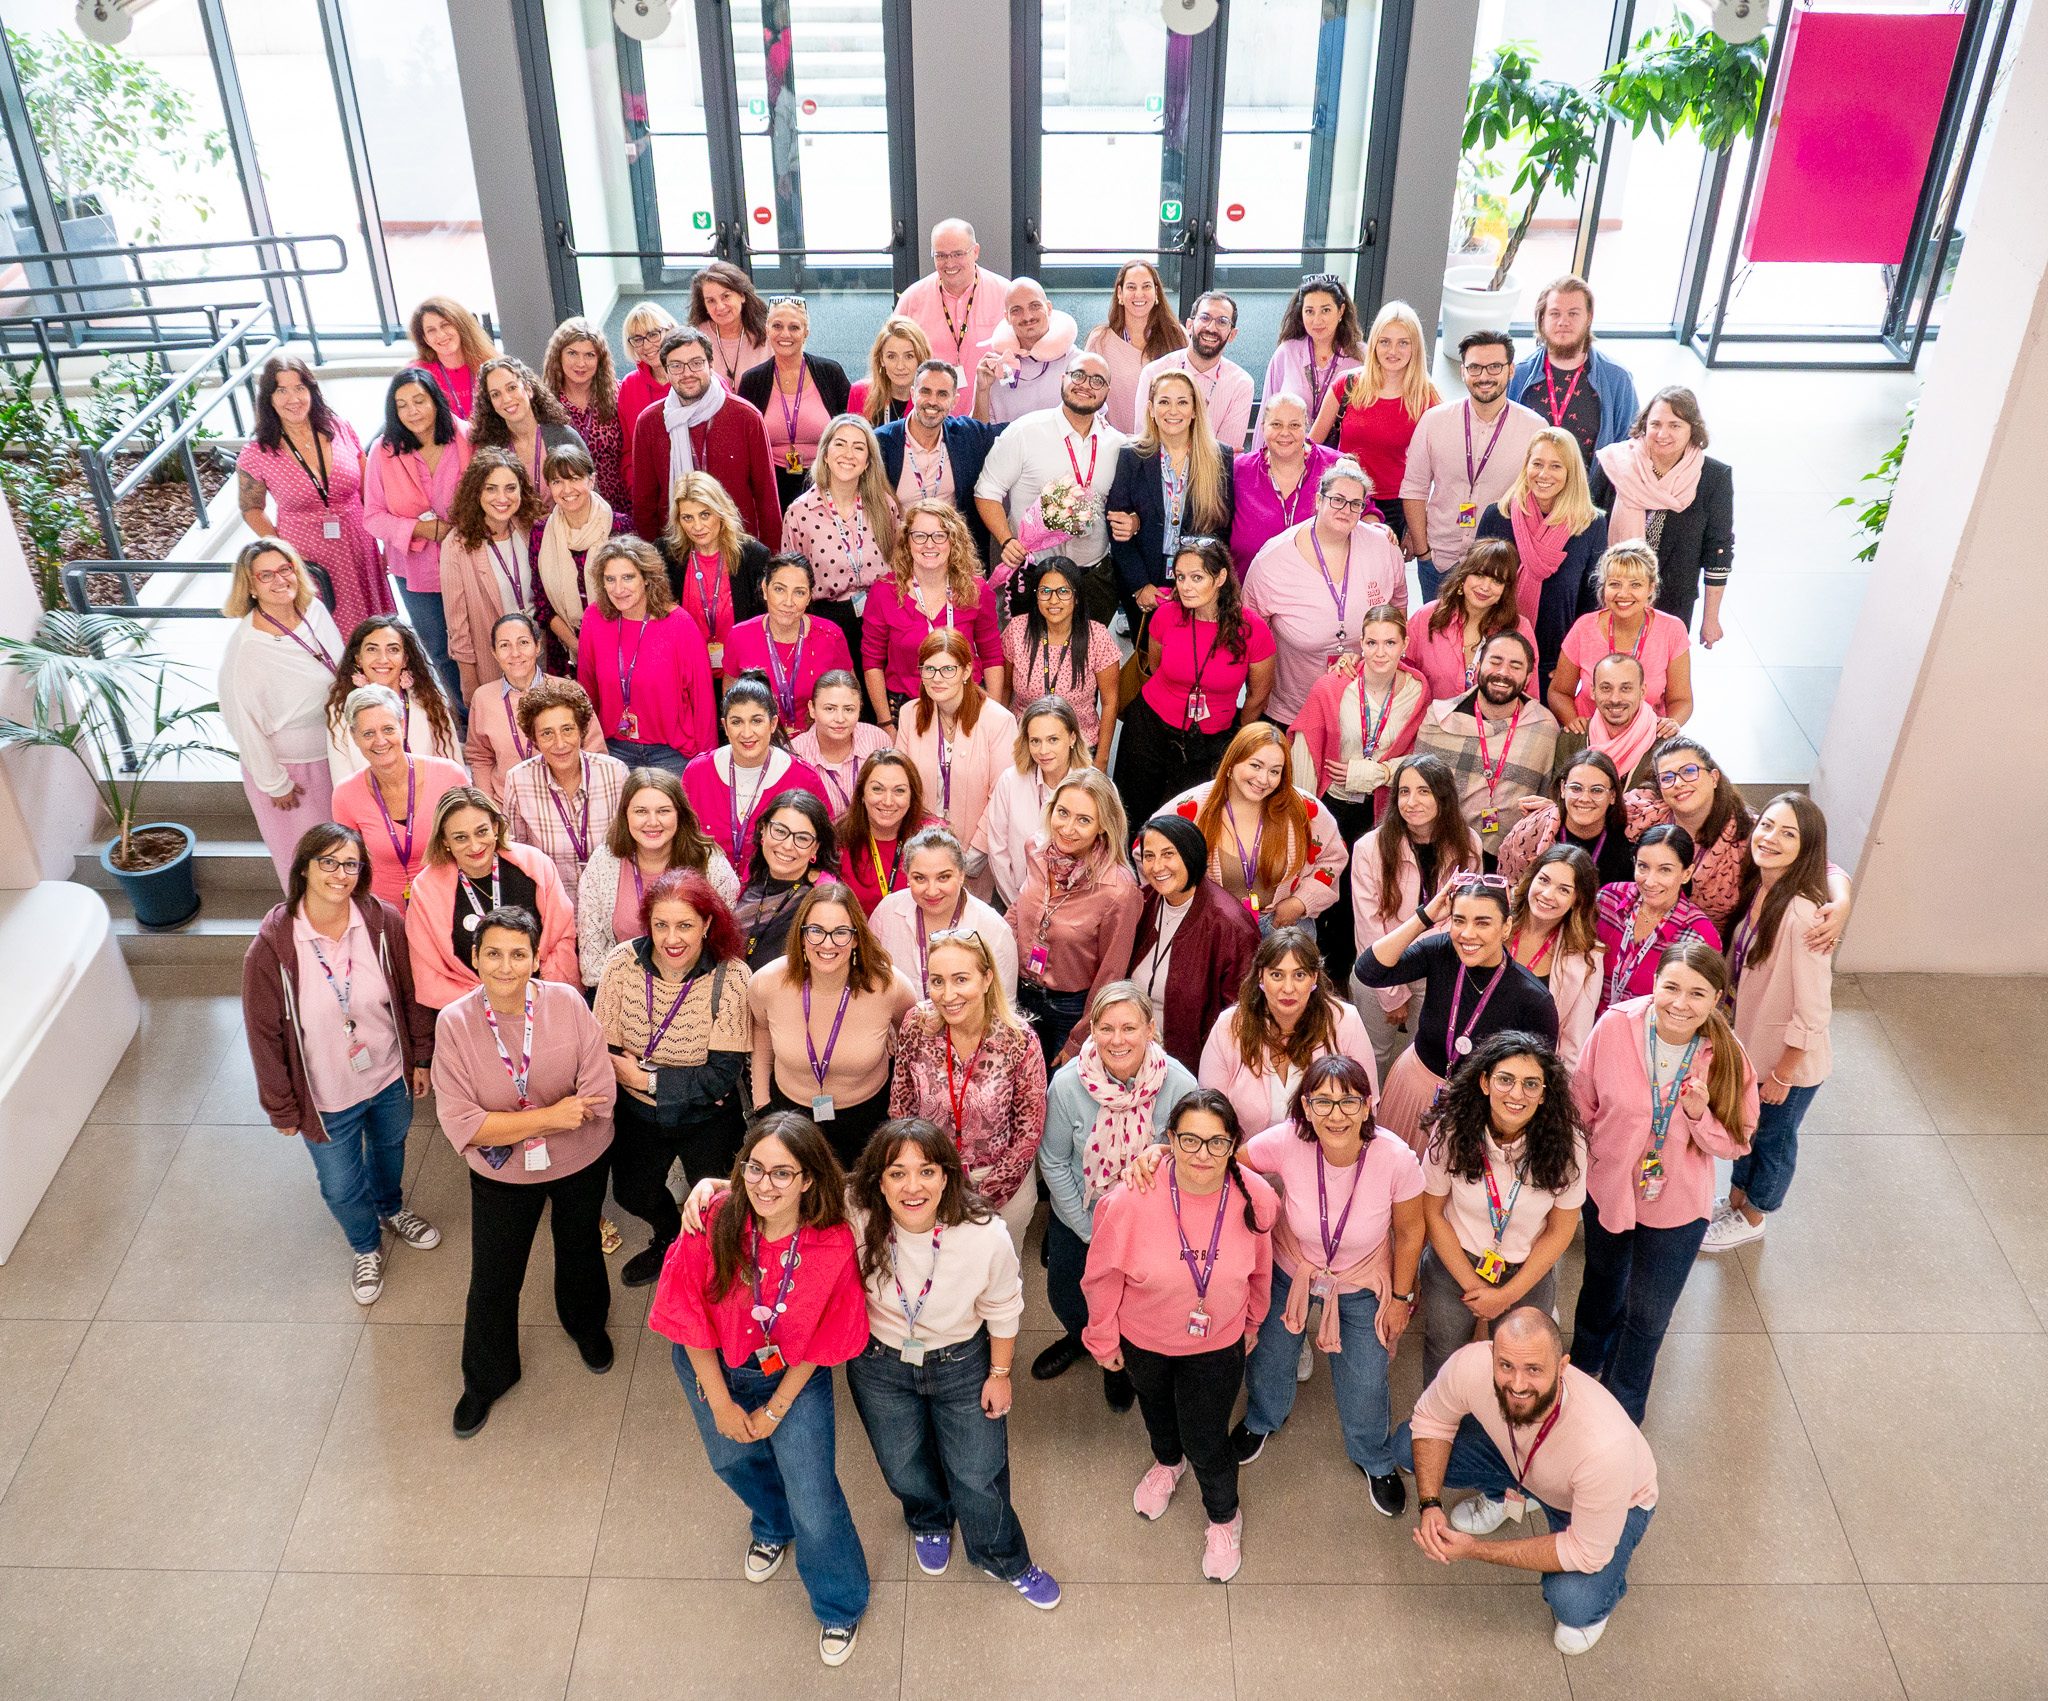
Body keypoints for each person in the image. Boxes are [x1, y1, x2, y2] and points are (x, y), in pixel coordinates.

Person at [647, 1113, 870, 1666]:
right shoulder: (713, 1218)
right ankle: (772, 1525)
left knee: (815, 1496)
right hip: (713, 1369)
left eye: (782, 1173)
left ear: (809, 1180)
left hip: (792, 1379)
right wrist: (721, 1402)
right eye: (755, 1169)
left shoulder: (832, 1241)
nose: (765, 1185)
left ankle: (839, 1605)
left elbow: (827, 1338)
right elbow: (687, 1312)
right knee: (732, 1462)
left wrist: (774, 1410)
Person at [840, 1119, 1058, 1607]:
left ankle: (1004, 1557)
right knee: (901, 1463)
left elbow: (1004, 1308)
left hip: (962, 1362)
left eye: (926, 1171)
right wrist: (713, 1186)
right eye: (897, 1173)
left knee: (978, 1473)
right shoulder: (856, 1213)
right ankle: (929, 1520)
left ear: (947, 1176)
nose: (912, 1187)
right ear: (878, 1180)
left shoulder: (985, 1235)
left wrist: (1000, 1376)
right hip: (880, 1364)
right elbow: (786, 1190)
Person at [433, 904, 617, 1438]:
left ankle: (586, 1326)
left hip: (580, 1159)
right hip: (503, 1175)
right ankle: (486, 1378)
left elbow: (598, 1092)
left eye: (519, 954)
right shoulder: (455, 1024)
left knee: (578, 1245)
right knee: (494, 1274)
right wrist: (550, 1116)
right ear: (475, 958)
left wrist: (517, 1122)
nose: (507, 966)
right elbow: (462, 1122)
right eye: (494, 953)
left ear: (537, 958)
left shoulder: (566, 1004)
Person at [1083, 1089, 1277, 1582]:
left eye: (1217, 1143)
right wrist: (1103, 1340)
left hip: (1217, 1346)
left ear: (1233, 1145)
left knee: (1207, 1437)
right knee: (1157, 1410)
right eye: (1188, 1140)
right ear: (1168, 1140)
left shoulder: (1254, 1198)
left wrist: (1253, 1321)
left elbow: (1260, 1271)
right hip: (1144, 1339)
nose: (1201, 1156)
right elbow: (1101, 1276)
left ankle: (1223, 1516)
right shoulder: (1128, 1200)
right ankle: (1167, 1463)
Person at [242, 822, 437, 1305]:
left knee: (390, 1148)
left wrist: (422, 1057)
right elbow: (262, 1035)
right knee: (341, 1184)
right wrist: (281, 1107)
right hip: (325, 1093)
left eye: (350, 863)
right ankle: (365, 1245)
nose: (340, 873)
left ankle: (391, 1208)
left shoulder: (383, 922)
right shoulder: (272, 948)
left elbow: (410, 996)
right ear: (303, 868)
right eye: (327, 862)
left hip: (389, 1074)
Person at [1399, 1309, 1658, 1656]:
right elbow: (1430, 1421)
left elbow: (1586, 1552)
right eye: (1506, 1366)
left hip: (1611, 1499)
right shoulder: (1471, 1364)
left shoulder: (1604, 1447)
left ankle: (1604, 1596)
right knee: (1406, 1445)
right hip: (1523, 1463)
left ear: (1562, 1368)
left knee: (1573, 1603)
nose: (1517, 1385)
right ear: (1491, 1354)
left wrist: (1475, 1550)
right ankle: (1506, 1495)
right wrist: (1430, 1505)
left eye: (1534, 1370)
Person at [1573, 938, 1756, 1421]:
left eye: (1698, 993)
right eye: (1670, 987)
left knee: (1647, 1318)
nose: (1680, 1003)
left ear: (1718, 998)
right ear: (1653, 984)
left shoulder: (1728, 1057)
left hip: (1676, 1207)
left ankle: (1621, 1415)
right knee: (1600, 1291)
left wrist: (1699, 1116)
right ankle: (1580, 1378)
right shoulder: (1614, 1028)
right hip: (1609, 1191)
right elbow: (1581, 1103)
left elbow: (1737, 1142)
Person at [1034, 983, 1196, 1401]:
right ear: (1092, 1032)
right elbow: (1052, 1161)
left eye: (1129, 1027)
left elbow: (1192, 1162)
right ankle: (1084, 1337)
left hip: (1151, 1217)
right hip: (1082, 1210)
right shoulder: (1067, 1085)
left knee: (1139, 1296)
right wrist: (1090, 1230)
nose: (1117, 1040)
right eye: (1106, 1028)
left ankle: (1120, 1355)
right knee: (1067, 1291)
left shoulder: (1179, 1085)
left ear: (1150, 1029)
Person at [595, 867, 753, 1283]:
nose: (671, 939)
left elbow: (720, 1077)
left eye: (685, 925)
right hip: (637, 1115)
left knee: (717, 1204)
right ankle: (668, 1237)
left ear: (707, 923)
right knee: (631, 1192)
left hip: (707, 1119)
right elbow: (606, 1053)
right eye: (660, 925)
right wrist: (684, 1081)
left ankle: (709, 1259)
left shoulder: (732, 977)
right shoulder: (620, 964)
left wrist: (643, 1078)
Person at [1704, 794, 1835, 1252]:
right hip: (1754, 1051)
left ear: (1808, 846)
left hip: (1787, 1065)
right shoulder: (1761, 889)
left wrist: (1783, 1073)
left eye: (1788, 833)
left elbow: (1815, 1010)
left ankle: (1756, 1214)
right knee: (1749, 1129)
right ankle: (1736, 1201)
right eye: (1767, 827)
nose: (1770, 838)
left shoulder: (1802, 915)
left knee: (1775, 1141)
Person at [1415, 1037, 1584, 1381]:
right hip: (1454, 1264)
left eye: (1531, 1084)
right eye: (1505, 1079)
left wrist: (1506, 1294)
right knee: (1444, 1349)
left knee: (1519, 1362)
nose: (1517, 1094)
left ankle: (1502, 1430)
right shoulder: (1451, 1129)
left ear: (1545, 1091)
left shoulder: (1568, 1143)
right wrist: (1472, 1285)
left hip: (1526, 1271)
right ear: (1484, 1081)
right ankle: (1444, 1423)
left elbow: (1561, 1229)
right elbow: (1432, 1212)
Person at [1354, 875, 1561, 1152]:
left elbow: (1539, 1079)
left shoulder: (1533, 999)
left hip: (1481, 1111)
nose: (1467, 934)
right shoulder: (1442, 950)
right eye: (1459, 920)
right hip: (1414, 1088)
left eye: (1482, 922)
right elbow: (1369, 971)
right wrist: (1425, 917)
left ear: (1506, 926)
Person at [1287, 604, 1431, 976]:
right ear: (1360, 644)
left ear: (1405, 644)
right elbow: (1305, 748)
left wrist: (1376, 772)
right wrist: (1302, 819)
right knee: (1328, 893)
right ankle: (1323, 973)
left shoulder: (1417, 690)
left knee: (1369, 895)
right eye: (1371, 642)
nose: (1379, 652)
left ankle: (1361, 975)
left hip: (1384, 808)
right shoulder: (1333, 685)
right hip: (1333, 807)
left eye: (1389, 642)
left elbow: (1421, 755)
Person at [888, 930, 1047, 1247]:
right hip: (928, 1181)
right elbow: (901, 1109)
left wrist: (982, 1197)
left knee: (997, 1285)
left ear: (987, 979)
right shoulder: (916, 1026)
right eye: (937, 981)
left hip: (1002, 1187)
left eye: (960, 979)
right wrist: (921, 1180)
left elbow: (1028, 1132)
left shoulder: (1019, 1039)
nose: (947, 995)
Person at [748, 884, 920, 1168]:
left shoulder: (891, 986)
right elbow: (761, 1031)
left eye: (841, 932)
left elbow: (912, 1048)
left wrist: (900, 1115)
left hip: (868, 1123)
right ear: (801, 935)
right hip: (790, 1118)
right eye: (816, 931)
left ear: (856, 938)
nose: (827, 944)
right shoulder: (766, 982)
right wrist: (762, 1104)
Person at [1116, 537, 1276, 833]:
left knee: (1190, 826)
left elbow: (1258, 695)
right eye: (1180, 577)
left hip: (1212, 741)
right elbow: (1155, 666)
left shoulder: (1252, 630)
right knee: (1132, 814)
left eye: (1197, 577)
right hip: (1149, 725)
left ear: (1220, 578)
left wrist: (1233, 735)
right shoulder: (1165, 615)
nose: (1185, 586)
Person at [218, 538, 345, 887]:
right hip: (293, 775)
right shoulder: (247, 648)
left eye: (285, 569)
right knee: (314, 864)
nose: (280, 581)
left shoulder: (314, 609)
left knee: (350, 853)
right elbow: (243, 724)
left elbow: (340, 667)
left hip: (338, 755)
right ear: (251, 587)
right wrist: (275, 783)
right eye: (266, 575)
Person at [1244, 455, 1407, 726]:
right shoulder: (1273, 561)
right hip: (1291, 710)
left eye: (1356, 504)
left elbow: (1399, 605)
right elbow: (1249, 634)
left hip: (1364, 708)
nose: (1346, 509)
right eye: (1337, 499)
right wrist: (1255, 699)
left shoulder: (1383, 548)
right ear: (1318, 500)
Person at [1625, 735, 1845, 935]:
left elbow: (1818, 863)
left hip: (1708, 951)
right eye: (1667, 777)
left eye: (1689, 771)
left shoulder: (1746, 833)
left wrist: (1842, 902)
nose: (1679, 782)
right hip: (1643, 932)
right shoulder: (1645, 814)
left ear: (1713, 778)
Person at [237, 354, 392, 635]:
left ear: (311, 390)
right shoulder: (256, 453)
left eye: (299, 388)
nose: (292, 398)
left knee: (376, 633)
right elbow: (251, 508)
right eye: (281, 390)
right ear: (268, 399)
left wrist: (387, 545)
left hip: (360, 548)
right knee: (329, 636)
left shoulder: (340, 429)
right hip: (308, 560)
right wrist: (280, 556)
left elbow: (369, 490)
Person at [1348, 754, 1481, 1081]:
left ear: (1443, 796)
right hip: (1378, 969)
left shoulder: (1469, 845)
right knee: (1372, 1056)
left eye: (1423, 791)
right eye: (1403, 792)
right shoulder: (1370, 847)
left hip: (1436, 968)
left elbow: (1463, 919)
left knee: (1424, 1058)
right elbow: (1368, 927)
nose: (1411, 801)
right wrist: (1391, 990)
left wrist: (1419, 957)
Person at [1007, 769, 1142, 1067]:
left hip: (1068, 1012)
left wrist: (1080, 1038)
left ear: (1102, 827)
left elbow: (1110, 975)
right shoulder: (1036, 849)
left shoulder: (1118, 890)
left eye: (1083, 820)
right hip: (1017, 994)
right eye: (1063, 813)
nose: (1067, 828)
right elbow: (1020, 908)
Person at [405, 785, 580, 1011]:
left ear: (495, 827)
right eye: (461, 837)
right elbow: (429, 974)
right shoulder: (425, 889)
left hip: (542, 1003)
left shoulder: (536, 864)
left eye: (481, 832)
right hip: (471, 1014)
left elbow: (562, 940)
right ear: (445, 841)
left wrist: (537, 997)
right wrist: (491, 1007)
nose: (475, 845)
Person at [1197, 926, 1381, 1140]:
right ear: (1260, 976)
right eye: (1277, 975)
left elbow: (1367, 1108)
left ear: (1314, 978)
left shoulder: (1345, 1021)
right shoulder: (1229, 1026)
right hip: (1244, 1165)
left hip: (1322, 1164)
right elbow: (1209, 1115)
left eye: (1299, 975)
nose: (1288, 988)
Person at [1401, 331, 1545, 600]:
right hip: (1439, 560)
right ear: (1463, 371)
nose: (1485, 376)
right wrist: (1423, 553)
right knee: (1437, 637)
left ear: (1511, 370)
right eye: (1475, 367)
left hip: (1499, 564)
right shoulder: (1434, 421)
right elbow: (1414, 488)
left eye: (1494, 367)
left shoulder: (1535, 429)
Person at [973, 352, 1126, 603]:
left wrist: (1132, 521)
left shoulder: (1118, 445)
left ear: (1107, 391)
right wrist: (1007, 540)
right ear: (1063, 379)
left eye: (1097, 380)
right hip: (1032, 574)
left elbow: (1130, 505)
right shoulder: (1024, 431)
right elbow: (986, 491)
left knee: (1091, 643)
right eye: (1078, 375)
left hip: (1093, 577)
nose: (1086, 384)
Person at [361, 367, 473, 708]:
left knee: (480, 642)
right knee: (440, 650)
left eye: (419, 400)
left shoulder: (466, 437)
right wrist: (421, 529)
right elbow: (373, 517)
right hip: (416, 572)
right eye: (402, 404)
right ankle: (465, 718)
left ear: (435, 401)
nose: (412, 411)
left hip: (470, 563)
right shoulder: (383, 451)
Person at [1165, 723, 1347, 929]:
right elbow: (1146, 850)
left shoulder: (1303, 809)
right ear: (1232, 763)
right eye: (1255, 765)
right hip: (1213, 929)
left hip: (1283, 927)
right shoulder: (1193, 807)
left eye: (1274, 771)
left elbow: (1334, 857)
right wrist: (1184, 905)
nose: (1263, 779)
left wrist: (1300, 902)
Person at [1591, 385, 1734, 640]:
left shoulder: (1713, 478)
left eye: (1675, 425)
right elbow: (1588, 528)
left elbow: (1718, 551)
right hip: (1611, 596)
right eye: (1655, 424)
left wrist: (1711, 619)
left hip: (1672, 604)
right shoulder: (1616, 464)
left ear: (1692, 429)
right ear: (1644, 425)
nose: (1663, 433)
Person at [576, 766, 740, 985]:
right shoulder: (605, 861)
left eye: (663, 811)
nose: (652, 822)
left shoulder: (711, 864)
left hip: (695, 989)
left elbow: (723, 945)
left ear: (679, 814)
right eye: (641, 811)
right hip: (622, 988)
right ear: (626, 815)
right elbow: (592, 958)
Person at [1125, 814, 1262, 1075]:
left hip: (1191, 1067)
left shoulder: (1230, 925)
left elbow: (1241, 1017)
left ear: (1191, 854)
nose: (1156, 866)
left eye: (1168, 854)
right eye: (1149, 856)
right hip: (1131, 1052)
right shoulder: (1142, 902)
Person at [1476, 427, 1609, 691]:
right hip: (1494, 657)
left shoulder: (1591, 525)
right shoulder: (1497, 516)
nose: (1544, 474)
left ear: (1571, 472)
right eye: (1537, 464)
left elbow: (1591, 604)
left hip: (1555, 663)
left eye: (1556, 466)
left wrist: (1572, 663)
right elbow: (1475, 590)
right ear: (1526, 466)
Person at [1107, 368, 1236, 638]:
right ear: (1152, 409)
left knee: (1192, 655)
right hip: (1145, 578)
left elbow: (1220, 530)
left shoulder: (1218, 457)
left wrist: (1197, 581)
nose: (1172, 410)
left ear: (1194, 410)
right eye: (1164, 402)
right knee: (1148, 656)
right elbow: (1117, 529)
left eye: (1182, 402)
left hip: (1198, 580)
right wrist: (1140, 585)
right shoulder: (1131, 456)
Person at [1413, 630, 1561, 863]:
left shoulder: (1543, 727)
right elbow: (1418, 790)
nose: (1503, 672)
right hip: (1441, 849)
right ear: (1479, 665)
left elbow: (1548, 802)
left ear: (1529, 677)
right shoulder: (1440, 719)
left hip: (1513, 856)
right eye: (1495, 662)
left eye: (1515, 666)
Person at [629, 327, 782, 549]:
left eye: (696, 363)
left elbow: (767, 499)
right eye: (676, 366)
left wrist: (771, 559)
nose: (687, 373)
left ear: (711, 365)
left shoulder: (746, 417)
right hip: (677, 550)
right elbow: (644, 505)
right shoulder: (649, 423)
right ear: (666, 370)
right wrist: (656, 562)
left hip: (738, 548)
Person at [575, 537, 717, 774]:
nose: (618, 589)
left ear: (648, 579)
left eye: (628, 577)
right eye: (610, 579)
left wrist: (705, 766)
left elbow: (703, 703)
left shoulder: (679, 624)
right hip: (614, 751)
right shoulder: (594, 619)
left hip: (672, 755)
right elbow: (587, 691)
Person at [893, 629, 1016, 891]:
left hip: (977, 859)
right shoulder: (908, 715)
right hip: (921, 855)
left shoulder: (998, 721)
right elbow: (901, 787)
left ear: (967, 671)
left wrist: (973, 855)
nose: (937, 678)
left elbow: (1002, 798)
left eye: (948, 669)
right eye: (929, 669)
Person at [330, 685, 472, 908]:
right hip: (385, 914)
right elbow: (348, 865)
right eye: (368, 733)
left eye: (388, 729)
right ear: (354, 737)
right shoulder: (345, 793)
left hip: (451, 904)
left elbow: (473, 843)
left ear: (402, 727)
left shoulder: (449, 775)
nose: (380, 741)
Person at [864, 501, 1004, 724]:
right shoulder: (883, 592)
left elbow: (992, 656)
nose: (929, 544)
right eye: (920, 536)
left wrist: (994, 716)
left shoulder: (976, 590)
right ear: (907, 541)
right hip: (906, 708)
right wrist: (885, 723)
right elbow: (872, 663)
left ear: (953, 541)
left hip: (967, 705)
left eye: (939, 535)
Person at [1309, 300, 1439, 540]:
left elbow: (1438, 469)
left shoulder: (1427, 397)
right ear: (1375, 344)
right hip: (1342, 496)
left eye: (1403, 343)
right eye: (1385, 341)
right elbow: (1311, 448)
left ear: (1415, 347)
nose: (1393, 351)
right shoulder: (1347, 384)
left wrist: (1416, 527)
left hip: (1393, 504)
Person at [783, 413, 901, 674]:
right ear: (824, 454)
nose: (849, 454)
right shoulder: (800, 512)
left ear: (868, 461)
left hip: (880, 620)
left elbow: (899, 567)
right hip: (826, 620)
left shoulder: (885, 506)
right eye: (840, 444)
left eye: (858, 447)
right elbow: (790, 578)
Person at [681, 672, 830, 868]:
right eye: (736, 722)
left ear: (773, 724)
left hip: (778, 895)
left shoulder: (803, 778)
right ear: (725, 727)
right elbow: (681, 844)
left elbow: (827, 849)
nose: (747, 733)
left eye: (756, 721)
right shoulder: (697, 773)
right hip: (707, 892)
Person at [501, 677, 624, 905]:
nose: (560, 743)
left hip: (611, 908)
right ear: (534, 739)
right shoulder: (519, 780)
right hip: (552, 911)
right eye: (547, 733)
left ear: (582, 731)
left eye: (567, 729)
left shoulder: (615, 773)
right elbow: (514, 853)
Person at [1550, 541, 1692, 738]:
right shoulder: (1584, 627)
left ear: (1651, 587)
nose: (1623, 594)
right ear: (1604, 586)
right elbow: (1558, 692)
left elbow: (1681, 699)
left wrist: (1671, 723)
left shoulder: (1672, 629)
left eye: (1635, 584)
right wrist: (1574, 722)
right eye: (1615, 584)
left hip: (1647, 736)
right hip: (1590, 736)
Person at [873, 359, 1008, 562]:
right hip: (897, 559)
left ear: (954, 401)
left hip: (953, 559)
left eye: (942, 394)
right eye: (925, 391)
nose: (932, 401)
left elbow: (1016, 433)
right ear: (913, 394)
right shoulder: (881, 442)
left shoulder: (965, 435)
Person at [440, 448, 545, 704]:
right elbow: (457, 625)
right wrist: (469, 679)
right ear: (476, 492)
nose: (502, 497)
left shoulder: (530, 527)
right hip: (494, 663)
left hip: (539, 650)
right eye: (491, 488)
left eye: (510, 488)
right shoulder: (456, 545)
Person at [871, 824, 1018, 1000]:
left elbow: (1003, 1009)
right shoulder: (886, 913)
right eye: (920, 878)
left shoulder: (994, 930)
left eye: (943, 877)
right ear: (907, 877)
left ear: (962, 874)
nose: (932, 891)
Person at [1506, 276, 1641, 465]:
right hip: (1529, 490)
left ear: (1589, 318)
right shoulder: (1517, 375)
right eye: (1555, 313)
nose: (1563, 322)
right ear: (1541, 319)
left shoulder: (1617, 379)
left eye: (1573, 313)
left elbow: (1630, 448)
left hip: (1589, 492)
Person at [1000, 557, 1120, 768]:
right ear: (1036, 596)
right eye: (1045, 591)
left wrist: (1101, 760)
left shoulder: (1097, 637)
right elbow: (1004, 689)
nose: (1053, 600)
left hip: (1079, 750)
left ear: (1076, 597)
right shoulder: (1017, 631)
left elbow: (1110, 703)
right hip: (1025, 747)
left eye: (1063, 591)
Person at [738, 297, 853, 511]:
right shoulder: (752, 381)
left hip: (827, 479)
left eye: (794, 327)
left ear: (806, 333)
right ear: (767, 331)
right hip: (770, 485)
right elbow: (744, 443)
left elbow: (852, 428)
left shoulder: (830, 373)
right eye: (777, 326)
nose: (785, 334)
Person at [1594, 824, 1723, 1011]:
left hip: (1647, 1036)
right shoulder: (1608, 900)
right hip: (1585, 1029)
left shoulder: (1700, 938)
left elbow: (1701, 1009)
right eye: (1643, 866)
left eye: (1665, 870)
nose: (1650, 881)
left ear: (1687, 873)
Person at [724, 553, 856, 736]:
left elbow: (850, 696)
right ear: (764, 588)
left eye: (799, 592)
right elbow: (731, 697)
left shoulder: (831, 636)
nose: (788, 602)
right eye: (779, 589)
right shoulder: (739, 636)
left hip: (818, 742)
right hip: (759, 742)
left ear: (810, 596)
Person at [976, 696, 1089, 908]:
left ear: (1072, 737)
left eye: (1053, 739)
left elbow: (1105, 857)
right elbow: (998, 851)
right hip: (1016, 903)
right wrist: (1021, 907)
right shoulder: (1009, 781)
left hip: (1077, 910)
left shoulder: (1097, 787)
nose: (1043, 750)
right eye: (1035, 741)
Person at [324, 617, 464, 781]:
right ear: (358, 659)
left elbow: (454, 767)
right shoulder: (340, 710)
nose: (383, 659)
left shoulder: (430, 702)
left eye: (393, 650)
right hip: (372, 804)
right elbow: (343, 780)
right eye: (372, 649)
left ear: (405, 660)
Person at [1402, 538, 1539, 704]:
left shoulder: (1519, 629)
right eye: (1479, 575)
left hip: (1494, 728)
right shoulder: (1427, 616)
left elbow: (1529, 698)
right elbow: (1401, 676)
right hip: (1431, 725)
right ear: (1464, 575)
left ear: (1505, 589)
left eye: (1497, 581)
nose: (1485, 587)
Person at [895, 218, 1009, 412]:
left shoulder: (1006, 294)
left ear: (976, 251)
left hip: (992, 419)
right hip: (930, 421)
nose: (949, 263)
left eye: (958, 254)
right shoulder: (912, 299)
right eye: (941, 255)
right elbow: (890, 355)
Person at [534, 444, 628, 671]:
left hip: (620, 642)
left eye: (574, 479)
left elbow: (633, 590)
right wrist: (579, 647)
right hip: (567, 649)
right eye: (557, 482)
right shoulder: (540, 533)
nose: (567, 489)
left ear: (591, 481)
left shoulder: (619, 526)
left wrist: (605, 646)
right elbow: (542, 603)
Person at [1507, 846, 1604, 1067]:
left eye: (1564, 890)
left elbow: (1573, 1045)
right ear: (1531, 878)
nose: (1548, 894)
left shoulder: (1588, 957)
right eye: (1544, 880)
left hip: (1531, 1071)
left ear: (1577, 901)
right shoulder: (1498, 918)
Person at [1230, 392, 1339, 575]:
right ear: (1263, 427)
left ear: (1306, 426)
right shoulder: (1239, 470)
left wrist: (1378, 529)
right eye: (1276, 424)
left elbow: (1366, 514)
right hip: (1247, 592)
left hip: (1316, 592)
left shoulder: (1334, 466)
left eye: (1294, 425)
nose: (1285, 432)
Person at [661, 473, 759, 674]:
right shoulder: (666, 556)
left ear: (720, 512)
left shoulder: (752, 556)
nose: (697, 526)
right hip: (687, 673)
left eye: (705, 514)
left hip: (741, 673)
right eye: (687, 517)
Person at [1496, 750, 1636, 890]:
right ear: (1563, 789)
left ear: (1612, 796)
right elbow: (1512, 895)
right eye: (1576, 788)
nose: (1584, 798)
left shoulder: (1629, 840)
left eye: (1597, 790)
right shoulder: (1532, 833)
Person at [1135, 290, 1254, 454]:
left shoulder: (1241, 384)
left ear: (1232, 334)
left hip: (1211, 478)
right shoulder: (1153, 373)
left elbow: (1226, 455)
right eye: (1205, 318)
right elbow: (1145, 444)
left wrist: (1177, 446)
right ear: (1189, 326)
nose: (1211, 328)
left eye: (1222, 322)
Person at [1084, 258, 1189, 434]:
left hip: (1169, 444)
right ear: (1120, 293)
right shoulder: (1100, 340)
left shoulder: (1177, 336)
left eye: (1146, 286)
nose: (1139, 294)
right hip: (1114, 445)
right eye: (1131, 287)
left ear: (1156, 293)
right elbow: (1087, 395)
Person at [733, 789, 836, 968]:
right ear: (763, 830)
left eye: (802, 838)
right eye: (780, 831)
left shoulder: (825, 897)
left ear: (816, 848)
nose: (787, 845)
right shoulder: (754, 876)